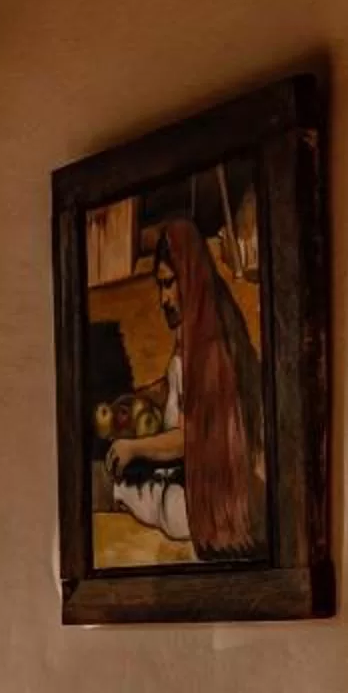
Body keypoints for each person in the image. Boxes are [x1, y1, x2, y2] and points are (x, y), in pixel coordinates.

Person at [102, 217, 262, 558]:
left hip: (203, 499)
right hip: (191, 477)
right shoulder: (198, 329)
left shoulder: (212, 347)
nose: (163, 298)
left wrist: (134, 448)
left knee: (124, 490)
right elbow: (180, 387)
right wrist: (150, 394)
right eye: (160, 286)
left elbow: (193, 437)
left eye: (169, 283)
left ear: (188, 278)